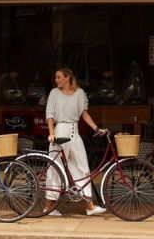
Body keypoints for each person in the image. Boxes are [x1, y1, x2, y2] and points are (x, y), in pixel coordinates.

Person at [45, 67, 107, 216]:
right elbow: (50, 115)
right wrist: (52, 133)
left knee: (82, 166)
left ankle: (89, 206)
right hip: (60, 132)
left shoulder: (80, 94)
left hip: (75, 132)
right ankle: (48, 206)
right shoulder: (54, 93)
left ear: (67, 78)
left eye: (59, 77)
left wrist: (96, 128)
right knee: (55, 168)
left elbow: (84, 114)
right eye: (56, 77)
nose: (56, 80)